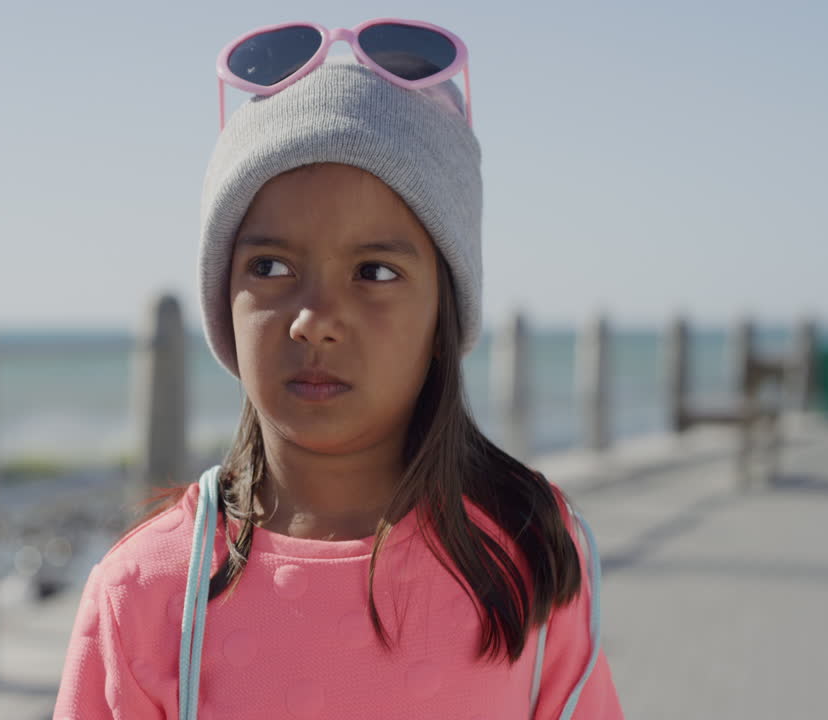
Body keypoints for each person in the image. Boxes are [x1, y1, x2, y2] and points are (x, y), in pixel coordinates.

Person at [54, 18, 624, 719]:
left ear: (444, 313)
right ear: (221, 300)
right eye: (270, 267)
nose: (314, 317)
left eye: (374, 271)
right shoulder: (145, 591)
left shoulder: (530, 547)